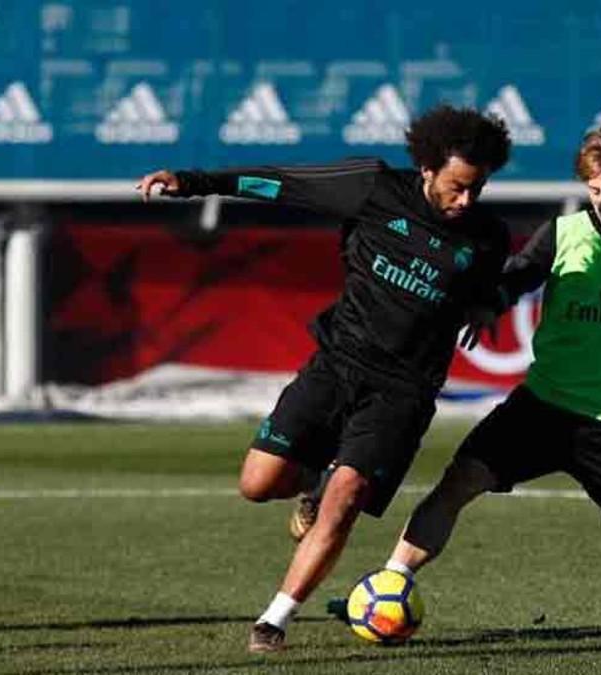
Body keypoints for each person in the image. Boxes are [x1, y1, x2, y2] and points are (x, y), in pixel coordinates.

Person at [136, 105, 513, 653]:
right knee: (257, 484)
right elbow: (280, 185)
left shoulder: (488, 236)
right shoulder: (373, 188)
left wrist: (484, 307)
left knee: (348, 493)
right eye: (458, 187)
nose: (467, 201)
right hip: (336, 365)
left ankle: (276, 617)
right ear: (427, 168)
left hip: (403, 392)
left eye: (477, 189)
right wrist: (192, 182)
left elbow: (484, 287)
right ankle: (311, 481)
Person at [342, 125, 601, 634]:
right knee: (459, 480)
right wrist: (491, 303)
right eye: (596, 190)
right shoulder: (563, 233)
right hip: (544, 404)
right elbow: (517, 276)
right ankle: (389, 584)